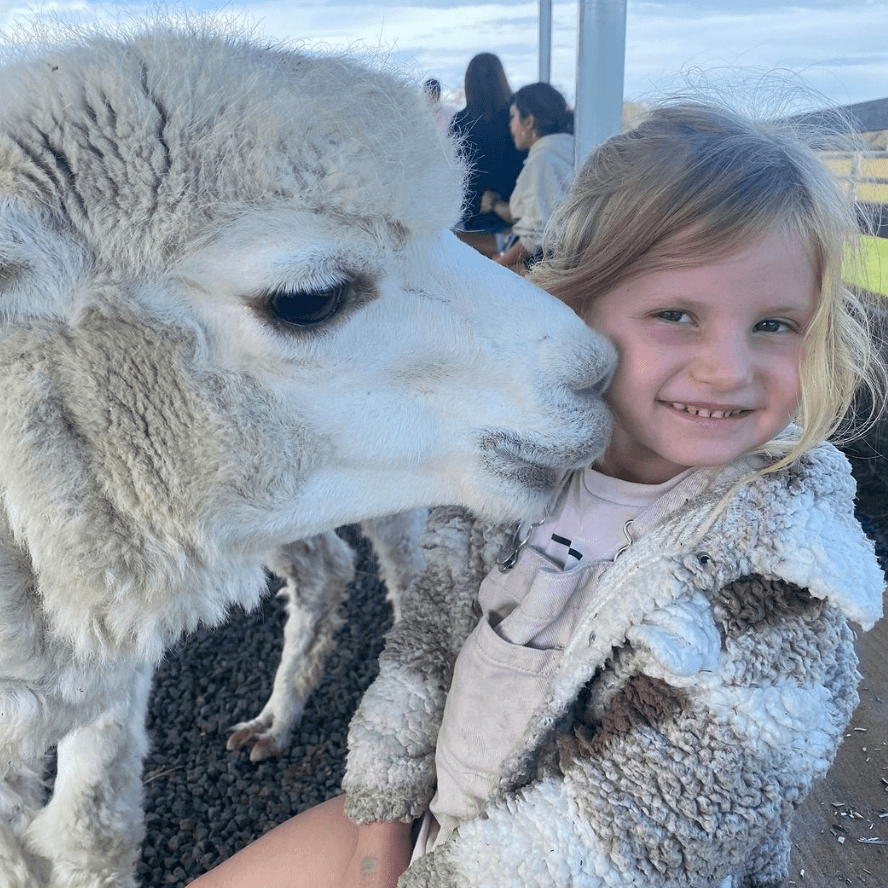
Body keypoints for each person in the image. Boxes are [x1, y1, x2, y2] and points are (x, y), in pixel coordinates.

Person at [189, 100, 886, 887]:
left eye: (775, 326)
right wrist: (381, 816)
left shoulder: (781, 581)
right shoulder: (513, 486)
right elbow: (424, 648)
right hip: (438, 831)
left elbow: (652, 835)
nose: (728, 367)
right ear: (577, 308)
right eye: (677, 314)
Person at [480, 81, 575, 273]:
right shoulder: (567, 148)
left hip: (551, 269)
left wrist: (500, 264)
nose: (510, 125)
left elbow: (535, 233)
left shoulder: (543, 160)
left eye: (513, 116)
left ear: (529, 122)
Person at [449, 53, 527, 250]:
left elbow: (456, 174)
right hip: (518, 214)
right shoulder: (517, 117)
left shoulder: (460, 122)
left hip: (476, 219)